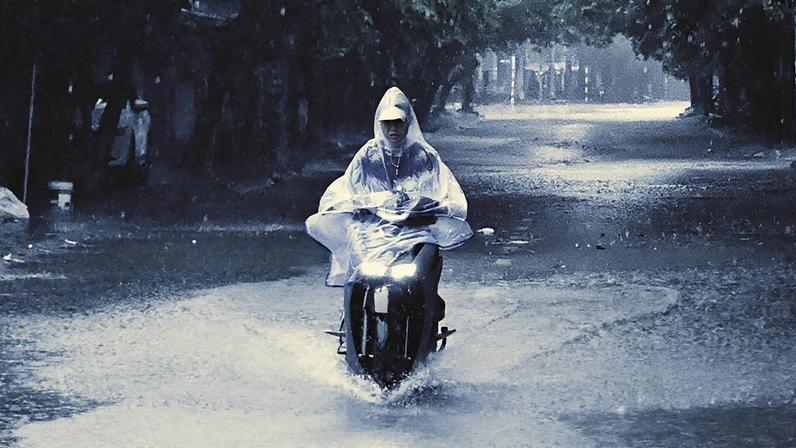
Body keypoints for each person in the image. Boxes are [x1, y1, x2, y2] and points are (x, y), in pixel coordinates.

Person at [306, 87, 472, 325]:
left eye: (398, 123)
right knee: (357, 269)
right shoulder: (366, 156)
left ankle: (428, 313)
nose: (393, 129)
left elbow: (441, 192)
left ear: (407, 123)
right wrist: (371, 204)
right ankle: (351, 318)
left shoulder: (425, 156)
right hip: (373, 230)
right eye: (388, 123)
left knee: (428, 259)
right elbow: (351, 190)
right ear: (380, 124)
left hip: (415, 230)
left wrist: (419, 205)